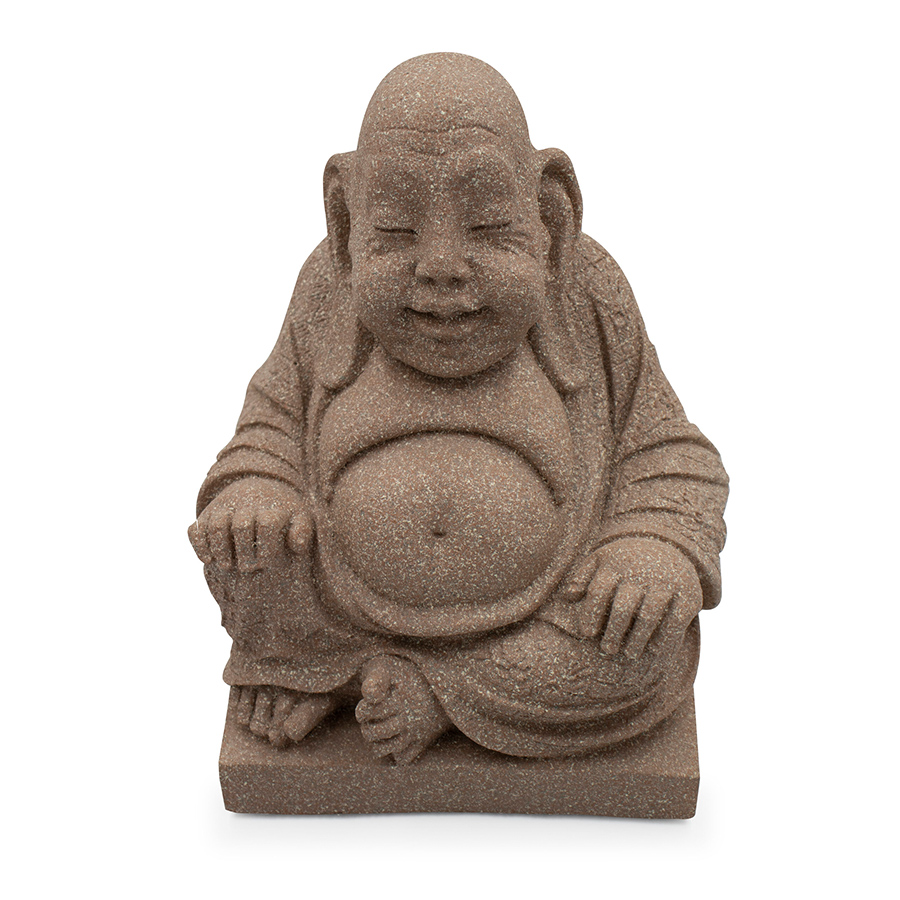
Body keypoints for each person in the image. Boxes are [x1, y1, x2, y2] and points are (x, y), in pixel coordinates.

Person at [188, 53, 729, 764]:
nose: (440, 265)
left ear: (550, 218)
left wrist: (651, 548)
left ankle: (428, 693)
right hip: (341, 608)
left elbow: (666, 451)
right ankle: (321, 665)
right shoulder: (327, 289)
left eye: (489, 226)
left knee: (644, 643)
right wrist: (257, 492)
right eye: (396, 230)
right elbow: (269, 430)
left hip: (545, 615)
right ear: (346, 222)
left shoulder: (587, 291)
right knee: (248, 558)